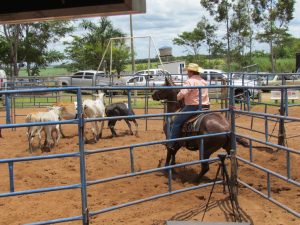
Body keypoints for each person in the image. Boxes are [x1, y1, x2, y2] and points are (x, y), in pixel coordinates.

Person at [167, 63, 210, 150]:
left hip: (193, 107)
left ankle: (171, 143)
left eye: (188, 71)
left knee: (176, 122)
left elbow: (182, 93)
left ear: (190, 71)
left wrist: (177, 96)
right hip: (206, 106)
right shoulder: (203, 81)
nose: (187, 73)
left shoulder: (190, 81)